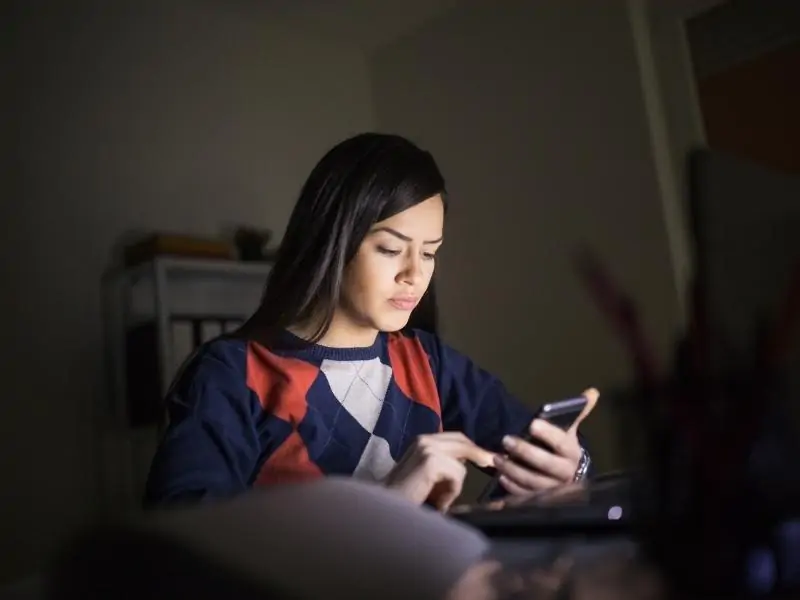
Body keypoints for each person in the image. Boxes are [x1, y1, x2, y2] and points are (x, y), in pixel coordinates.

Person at [144, 133, 597, 511]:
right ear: (331, 240)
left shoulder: (429, 362)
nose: (414, 274)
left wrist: (568, 469)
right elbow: (185, 548)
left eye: (429, 252)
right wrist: (387, 505)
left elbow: (537, 453)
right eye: (389, 248)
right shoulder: (231, 374)